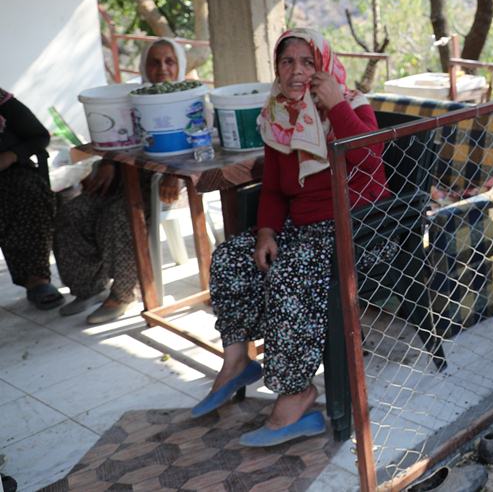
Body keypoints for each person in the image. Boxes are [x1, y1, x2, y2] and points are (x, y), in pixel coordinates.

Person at [192, 28, 388, 447]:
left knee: (289, 272)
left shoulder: (352, 106)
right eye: (287, 62)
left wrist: (334, 105)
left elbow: (369, 162)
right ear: (277, 70)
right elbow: (277, 190)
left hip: (358, 227)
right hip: (302, 230)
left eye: (307, 62)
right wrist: (265, 231)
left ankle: (297, 393)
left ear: (324, 65)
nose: (297, 71)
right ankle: (237, 361)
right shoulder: (279, 118)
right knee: (231, 257)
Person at [54, 39, 186, 324]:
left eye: (169, 61)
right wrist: (107, 163)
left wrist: (173, 176)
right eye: (154, 62)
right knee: (72, 212)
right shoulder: (130, 97)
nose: (161, 68)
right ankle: (89, 287)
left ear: (180, 66)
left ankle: (124, 294)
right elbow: (116, 135)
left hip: (160, 184)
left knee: (121, 216)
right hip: (123, 178)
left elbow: (199, 145)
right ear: (144, 67)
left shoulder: (188, 99)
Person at [0, 89, 60, 310]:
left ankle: (37, 280)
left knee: (28, 192)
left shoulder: (2, 101)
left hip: (11, 173)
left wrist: (11, 156)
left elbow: (39, 136)